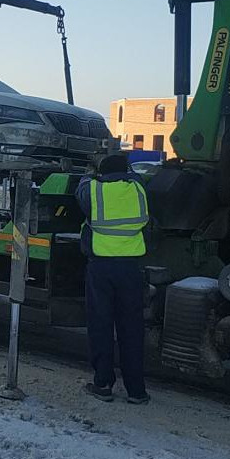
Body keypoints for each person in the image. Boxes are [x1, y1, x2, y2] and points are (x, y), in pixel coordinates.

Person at [75, 154, 151, 404]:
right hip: (131, 269)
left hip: (102, 268)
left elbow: (81, 188)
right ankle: (137, 391)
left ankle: (103, 384)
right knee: (132, 329)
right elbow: (135, 176)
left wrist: (89, 171)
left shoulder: (94, 190)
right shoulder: (138, 188)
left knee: (101, 326)